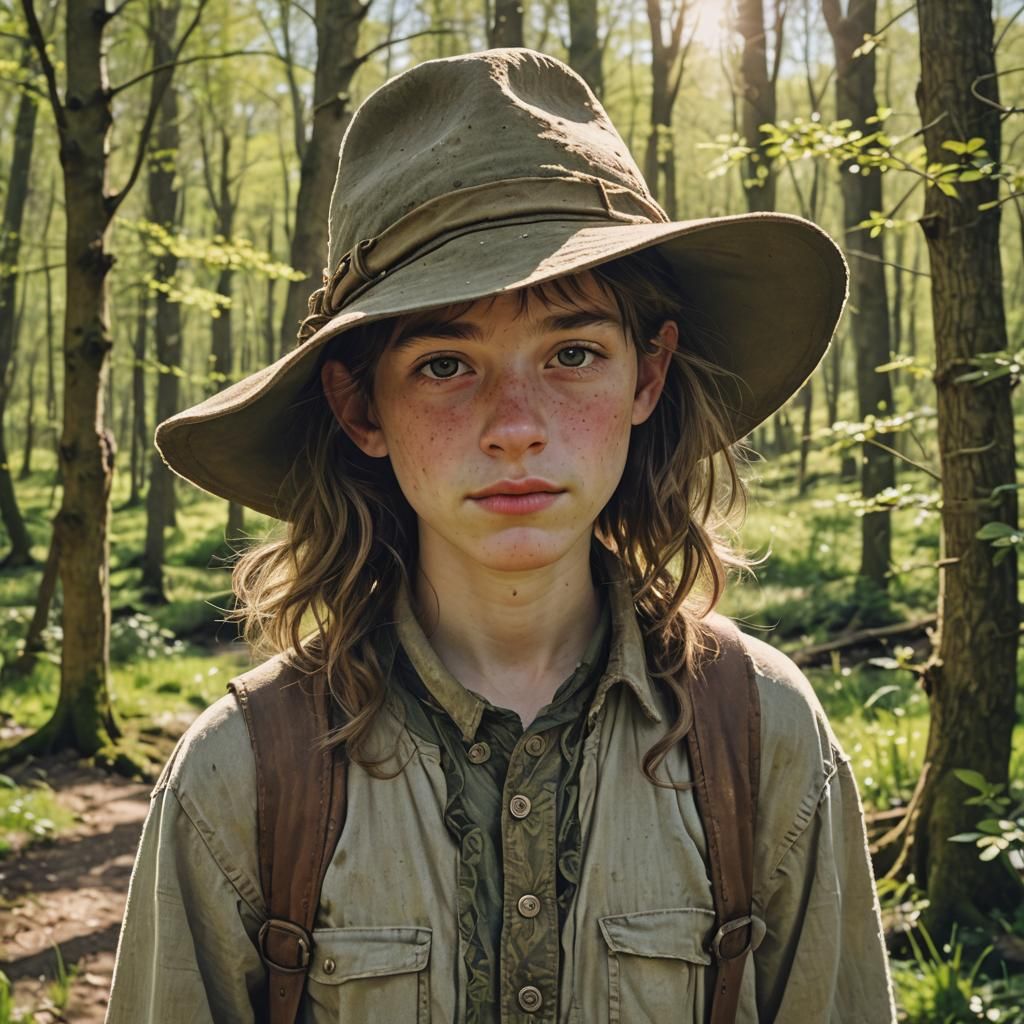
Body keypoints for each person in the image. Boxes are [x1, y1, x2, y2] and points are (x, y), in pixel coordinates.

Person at [104, 47, 896, 1024]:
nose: (514, 423)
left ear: (645, 377)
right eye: (445, 363)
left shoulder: (762, 736)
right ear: (361, 407)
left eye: (571, 353)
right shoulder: (245, 777)